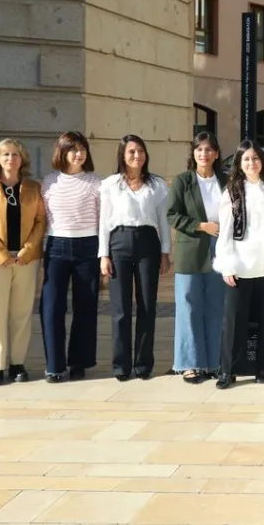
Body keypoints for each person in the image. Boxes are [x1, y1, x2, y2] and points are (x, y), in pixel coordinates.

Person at [99, 134, 172, 381]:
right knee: (120, 308)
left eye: (140, 151)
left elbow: (163, 221)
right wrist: (103, 255)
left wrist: (165, 252)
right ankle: (121, 365)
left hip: (147, 242)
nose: (137, 156)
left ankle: (143, 364)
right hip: (118, 242)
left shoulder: (156, 185)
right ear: (122, 155)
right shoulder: (110, 185)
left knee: (147, 305)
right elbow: (104, 223)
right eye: (131, 152)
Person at [0, 138, 46, 386]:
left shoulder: (33, 187)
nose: (10, 158)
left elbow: (41, 221)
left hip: (27, 259)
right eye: (5, 154)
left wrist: (27, 250)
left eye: (15, 154)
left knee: (21, 311)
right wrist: (1, 254)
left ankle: (17, 363)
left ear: (22, 159)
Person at [213, 140, 264, 389]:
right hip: (239, 265)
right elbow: (225, 231)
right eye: (246, 159)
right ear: (239, 164)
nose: (252, 163)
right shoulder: (232, 190)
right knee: (233, 323)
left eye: (255, 158)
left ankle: (263, 367)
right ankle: (227, 370)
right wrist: (226, 265)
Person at [39, 132, 102, 383]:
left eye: (82, 149)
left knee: (85, 307)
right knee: (52, 306)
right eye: (73, 149)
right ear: (62, 152)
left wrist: (103, 253)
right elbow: (43, 218)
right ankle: (54, 365)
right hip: (56, 247)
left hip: (88, 247)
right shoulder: (49, 181)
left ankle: (79, 362)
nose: (78, 154)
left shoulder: (96, 182)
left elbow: (102, 219)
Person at [167, 132, 228, 384]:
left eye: (209, 149)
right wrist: (201, 226)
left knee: (215, 305)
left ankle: (213, 362)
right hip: (191, 249)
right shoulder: (183, 181)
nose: (204, 154)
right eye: (199, 149)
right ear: (193, 153)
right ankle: (189, 363)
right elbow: (172, 215)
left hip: (221, 249)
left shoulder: (226, 180)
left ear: (216, 154)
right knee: (188, 306)